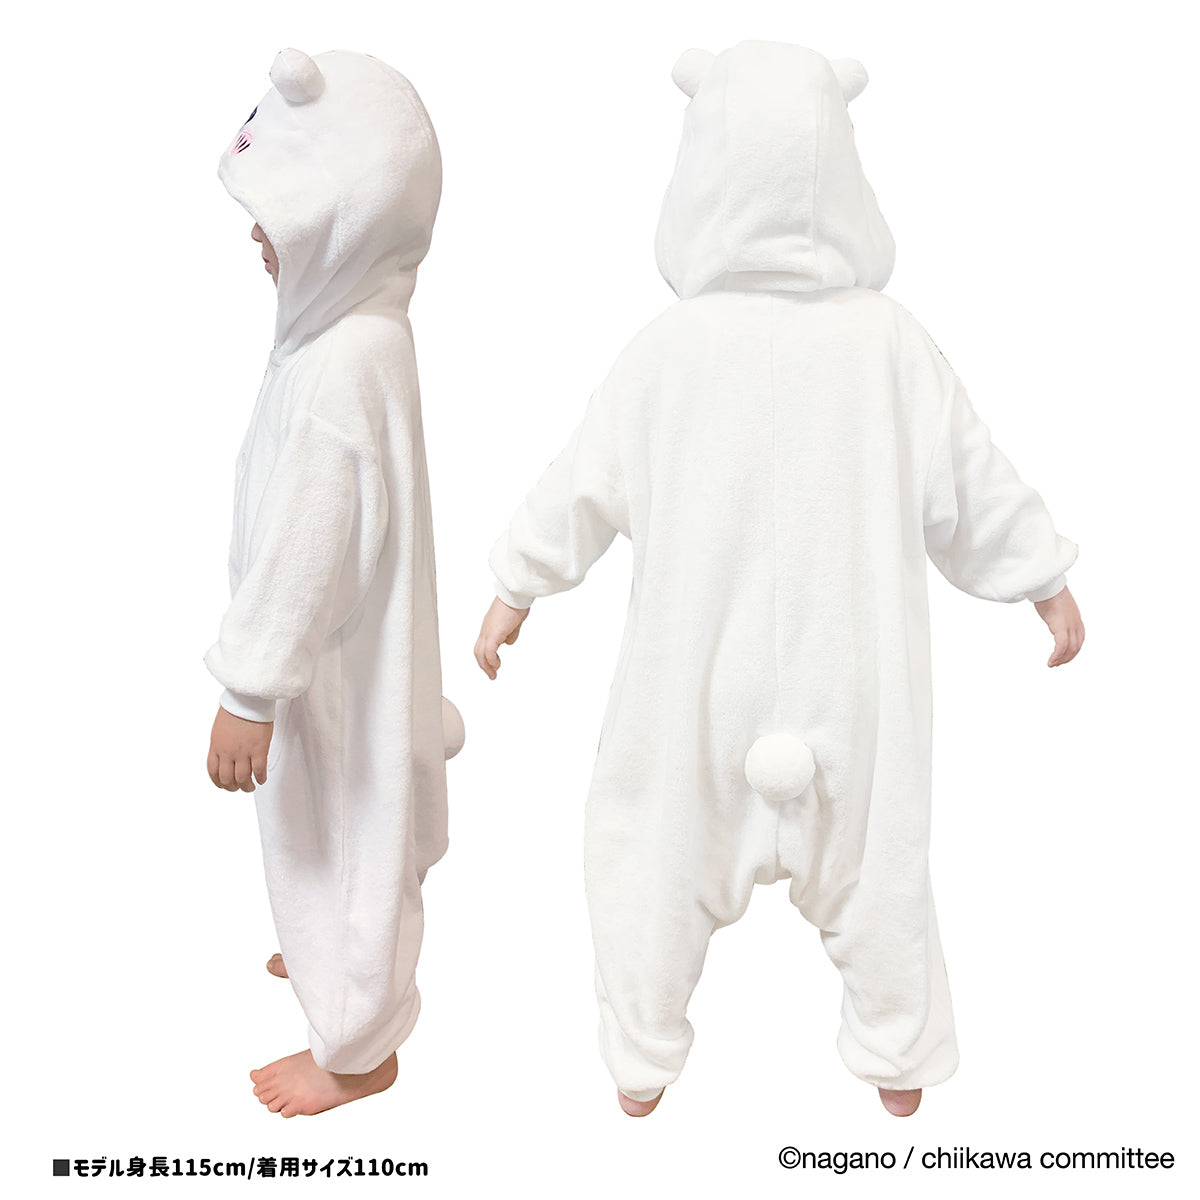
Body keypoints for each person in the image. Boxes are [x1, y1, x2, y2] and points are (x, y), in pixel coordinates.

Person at [475, 40, 1084, 1119]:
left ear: (698, 180)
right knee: (878, 866)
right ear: (846, 177)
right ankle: (899, 1052)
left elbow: (580, 483)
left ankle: (641, 1055)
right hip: (855, 683)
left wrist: (516, 586)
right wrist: (1039, 575)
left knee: (648, 856)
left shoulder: (667, 350)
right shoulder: (890, 345)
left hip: (689, 689)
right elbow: (973, 478)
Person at [205, 47, 463, 1118]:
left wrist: (249, 686)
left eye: (277, 219)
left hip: (325, 665)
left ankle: (359, 1045)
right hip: (342, 655)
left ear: (345, 226)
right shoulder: (356, 336)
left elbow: (309, 545)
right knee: (330, 826)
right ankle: (329, 947)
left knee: (349, 825)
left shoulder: (340, 369)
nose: (255, 238)